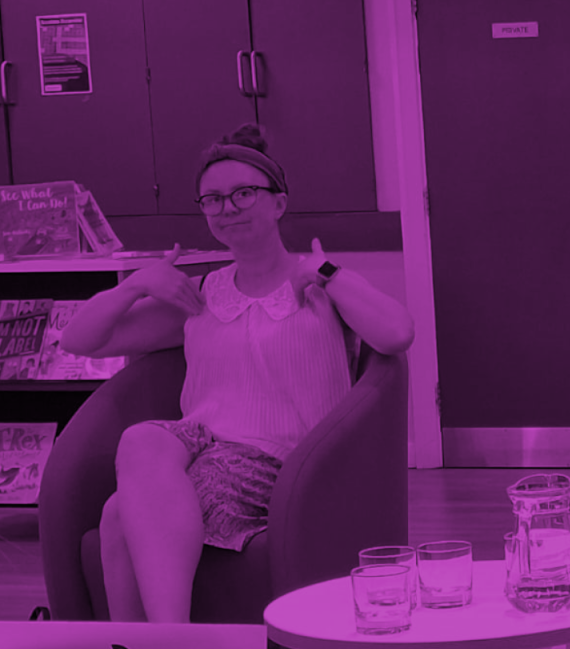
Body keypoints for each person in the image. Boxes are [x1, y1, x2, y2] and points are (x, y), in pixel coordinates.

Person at [61, 124, 414, 623]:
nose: (228, 208)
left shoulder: (315, 282)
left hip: (285, 462)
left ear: (278, 203)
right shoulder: (198, 295)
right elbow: (79, 339)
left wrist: (331, 275)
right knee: (141, 438)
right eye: (213, 199)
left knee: (119, 515)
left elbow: (396, 334)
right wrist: (136, 284)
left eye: (244, 193)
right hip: (197, 444)